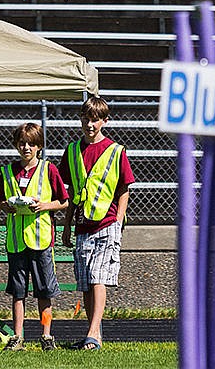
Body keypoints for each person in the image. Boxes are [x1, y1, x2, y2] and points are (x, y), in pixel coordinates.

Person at [59, 96, 134, 351]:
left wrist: (120, 219)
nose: (90, 125)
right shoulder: (71, 151)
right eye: (86, 119)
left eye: (95, 120)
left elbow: (124, 187)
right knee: (85, 282)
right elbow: (71, 190)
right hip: (82, 224)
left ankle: (93, 332)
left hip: (107, 221)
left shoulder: (115, 151)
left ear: (104, 121)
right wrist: (67, 225)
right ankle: (94, 335)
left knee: (97, 276)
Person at [0, 123, 68, 352]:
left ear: (39, 146)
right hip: (16, 241)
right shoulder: (7, 171)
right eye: (22, 143)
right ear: (16, 145)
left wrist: (44, 205)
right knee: (18, 291)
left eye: (31, 144)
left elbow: (64, 201)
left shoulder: (49, 170)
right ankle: (17, 336)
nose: (26, 147)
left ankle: (46, 335)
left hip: (41, 239)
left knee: (44, 291)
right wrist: (7, 207)